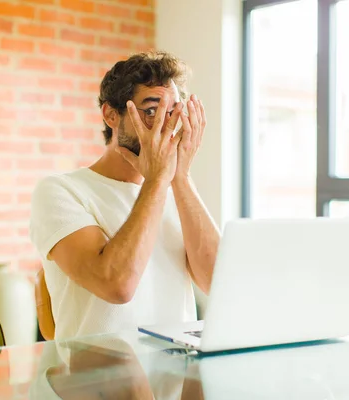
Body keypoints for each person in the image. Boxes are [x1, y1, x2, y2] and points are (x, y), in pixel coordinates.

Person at [29, 51, 220, 340]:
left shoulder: (173, 189)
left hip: (176, 378)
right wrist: (157, 180)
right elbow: (116, 285)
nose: (165, 126)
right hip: (97, 378)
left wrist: (180, 176)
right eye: (151, 111)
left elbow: (220, 285)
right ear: (111, 115)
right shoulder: (60, 191)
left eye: (173, 113)